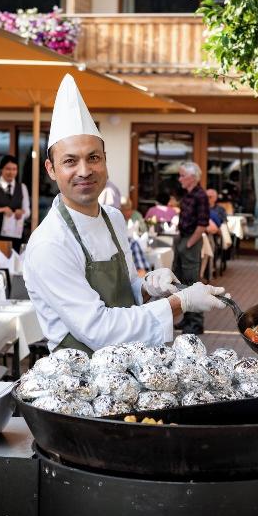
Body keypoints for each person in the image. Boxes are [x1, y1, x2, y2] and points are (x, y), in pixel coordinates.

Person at [23, 74, 227, 353]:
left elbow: (125, 292)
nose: (85, 171)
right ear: (51, 169)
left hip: (129, 361)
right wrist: (181, 302)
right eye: (70, 161)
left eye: (93, 157)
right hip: (79, 372)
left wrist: (147, 287)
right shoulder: (50, 243)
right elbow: (98, 329)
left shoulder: (113, 218)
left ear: (105, 160)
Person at [173, 161, 210, 335]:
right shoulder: (189, 194)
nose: (179, 179)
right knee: (182, 282)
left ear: (192, 177)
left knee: (192, 282)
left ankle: (196, 323)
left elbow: (203, 224)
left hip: (190, 241)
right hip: (183, 239)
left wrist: (189, 243)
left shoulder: (200, 196)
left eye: (182, 175)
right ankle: (187, 319)